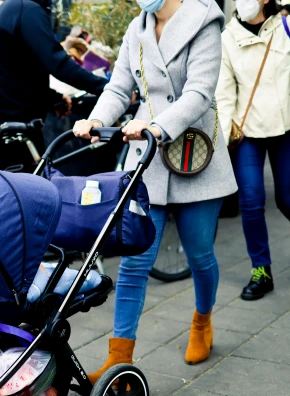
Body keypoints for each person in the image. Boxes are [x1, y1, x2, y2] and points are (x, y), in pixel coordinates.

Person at [73, 0, 237, 377]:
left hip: (193, 152)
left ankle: (202, 322)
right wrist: (96, 119)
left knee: (199, 254)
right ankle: (119, 357)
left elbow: (199, 93)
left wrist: (157, 127)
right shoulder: (138, 27)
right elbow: (119, 88)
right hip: (146, 157)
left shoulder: (204, 21)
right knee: (134, 261)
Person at [216, 0, 290, 301]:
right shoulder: (227, 39)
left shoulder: (289, 28)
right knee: (250, 201)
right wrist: (224, 140)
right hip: (248, 132)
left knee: (288, 200)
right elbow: (224, 95)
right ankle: (261, 270)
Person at [0, 0, 107, 167]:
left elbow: (16, 71)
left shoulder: (12, 8)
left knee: (10, 186)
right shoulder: (27, 9)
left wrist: (52, 99)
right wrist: (107, 88)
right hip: (8, 123)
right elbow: (57, 63)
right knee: (28, 188)